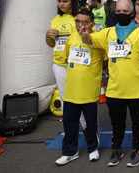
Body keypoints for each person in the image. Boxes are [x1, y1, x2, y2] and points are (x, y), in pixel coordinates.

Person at [81, 0, 139, 167]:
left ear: (132, 13)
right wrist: (84, 32)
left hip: (136, 87)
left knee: (136, 121)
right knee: (116, 122)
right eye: (118, 11)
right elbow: (88, 40)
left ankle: (136, 149)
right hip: (114, 88)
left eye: (125, 12)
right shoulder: (108, 32)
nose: (121, 14)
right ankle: (116, 149)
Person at [55, 9, 104, 166]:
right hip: (71, 90)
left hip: (89, 90)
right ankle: (70, 152)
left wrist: (86, 37)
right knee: (69, 124)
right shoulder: (70, 38)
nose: (80, 25)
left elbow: (105, 61)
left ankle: (92, 149)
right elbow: (67, 59)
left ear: (92, 23)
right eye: (78, 21)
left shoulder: (97, 38)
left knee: (90, 124)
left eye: (84, 22)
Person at [45, 0, 79, 110]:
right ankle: (69, 126)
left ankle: (85, 125)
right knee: (65, 97)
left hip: (76, 62)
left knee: (78, 95)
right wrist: (47, 36)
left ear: (72, 2)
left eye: (65, 1)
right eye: (59, 1)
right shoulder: (55, 20)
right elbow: (51, 44)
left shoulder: (79, 18)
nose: (61, 4)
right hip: (59, 64)